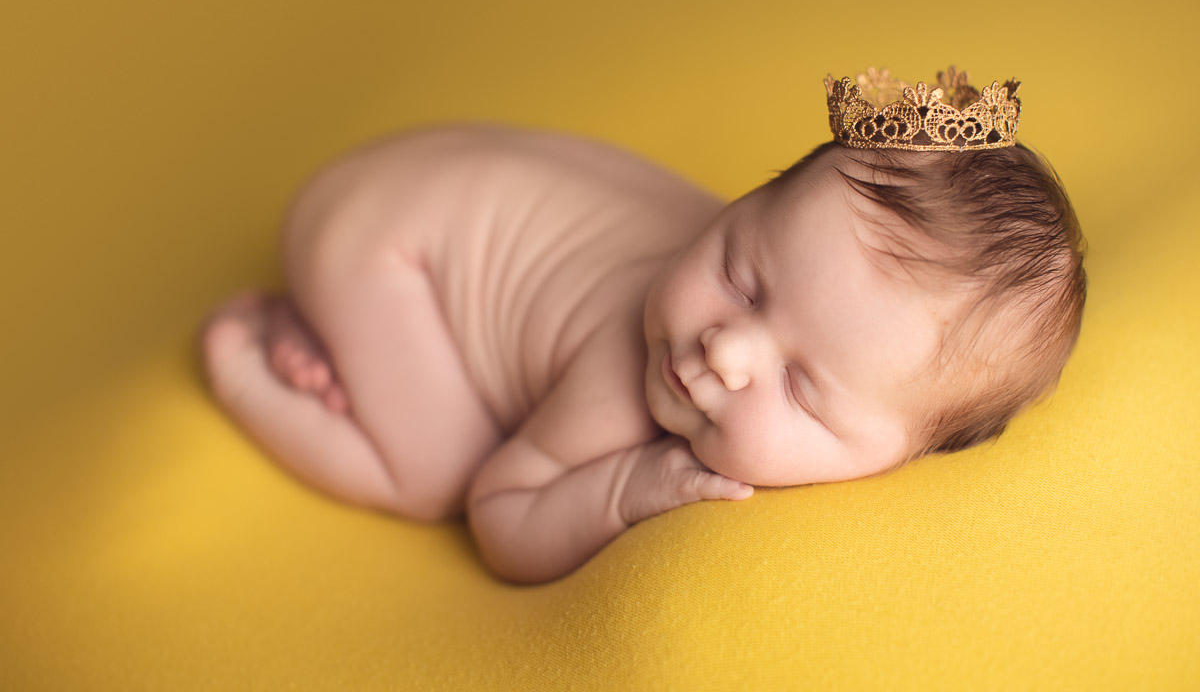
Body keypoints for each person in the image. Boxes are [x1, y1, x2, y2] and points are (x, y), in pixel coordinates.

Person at [200, 68, 1087, 584]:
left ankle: (343, 345)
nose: (726, 349)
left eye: (801, 385)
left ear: (908, 452)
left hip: (432, 167)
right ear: (751, 200)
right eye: (741, 275)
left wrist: (746, 278)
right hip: (387, 246)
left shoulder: (801, 291)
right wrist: (622, 491)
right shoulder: (621, 385)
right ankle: (247, 361)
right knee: (437, 471)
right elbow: (501, 514)